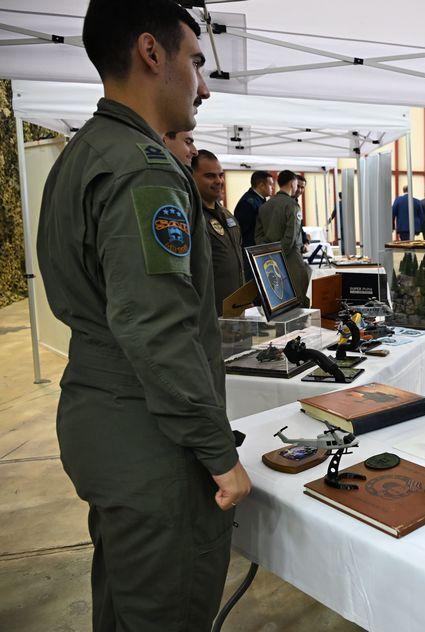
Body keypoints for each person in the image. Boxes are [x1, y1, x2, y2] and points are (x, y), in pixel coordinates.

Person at [35, 2, 251, 630]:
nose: (203, 87)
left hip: (106, 423)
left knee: (126, 606)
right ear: (151, 53)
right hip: (153, 444)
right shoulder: (144, 171)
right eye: (196, 62)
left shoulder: (83, 154)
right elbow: (156, 331)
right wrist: (219, 456)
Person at [192, 149, 244, 316]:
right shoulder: (191, 216)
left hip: (235, 309)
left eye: (220, 175)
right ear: (191, 176)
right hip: (207, 314)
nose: (219, 181)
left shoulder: (227, 215)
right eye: (210, 176)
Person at [256, 170, 312, 307]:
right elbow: (291, 237)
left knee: (278, 302)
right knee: (299, 300)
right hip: (291, 260)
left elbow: (258, 235)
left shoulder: (264, 206)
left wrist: (270, 254)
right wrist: (279, 255)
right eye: (296, 184)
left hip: (269, 262)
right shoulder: (292, 205)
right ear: (292, 183)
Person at [233, 170, 273, 253]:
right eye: (270, 184)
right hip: (250, 248)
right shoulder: (247, 203)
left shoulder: (259, 200)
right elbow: (242, 230)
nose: (272, 187)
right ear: (261, 185)